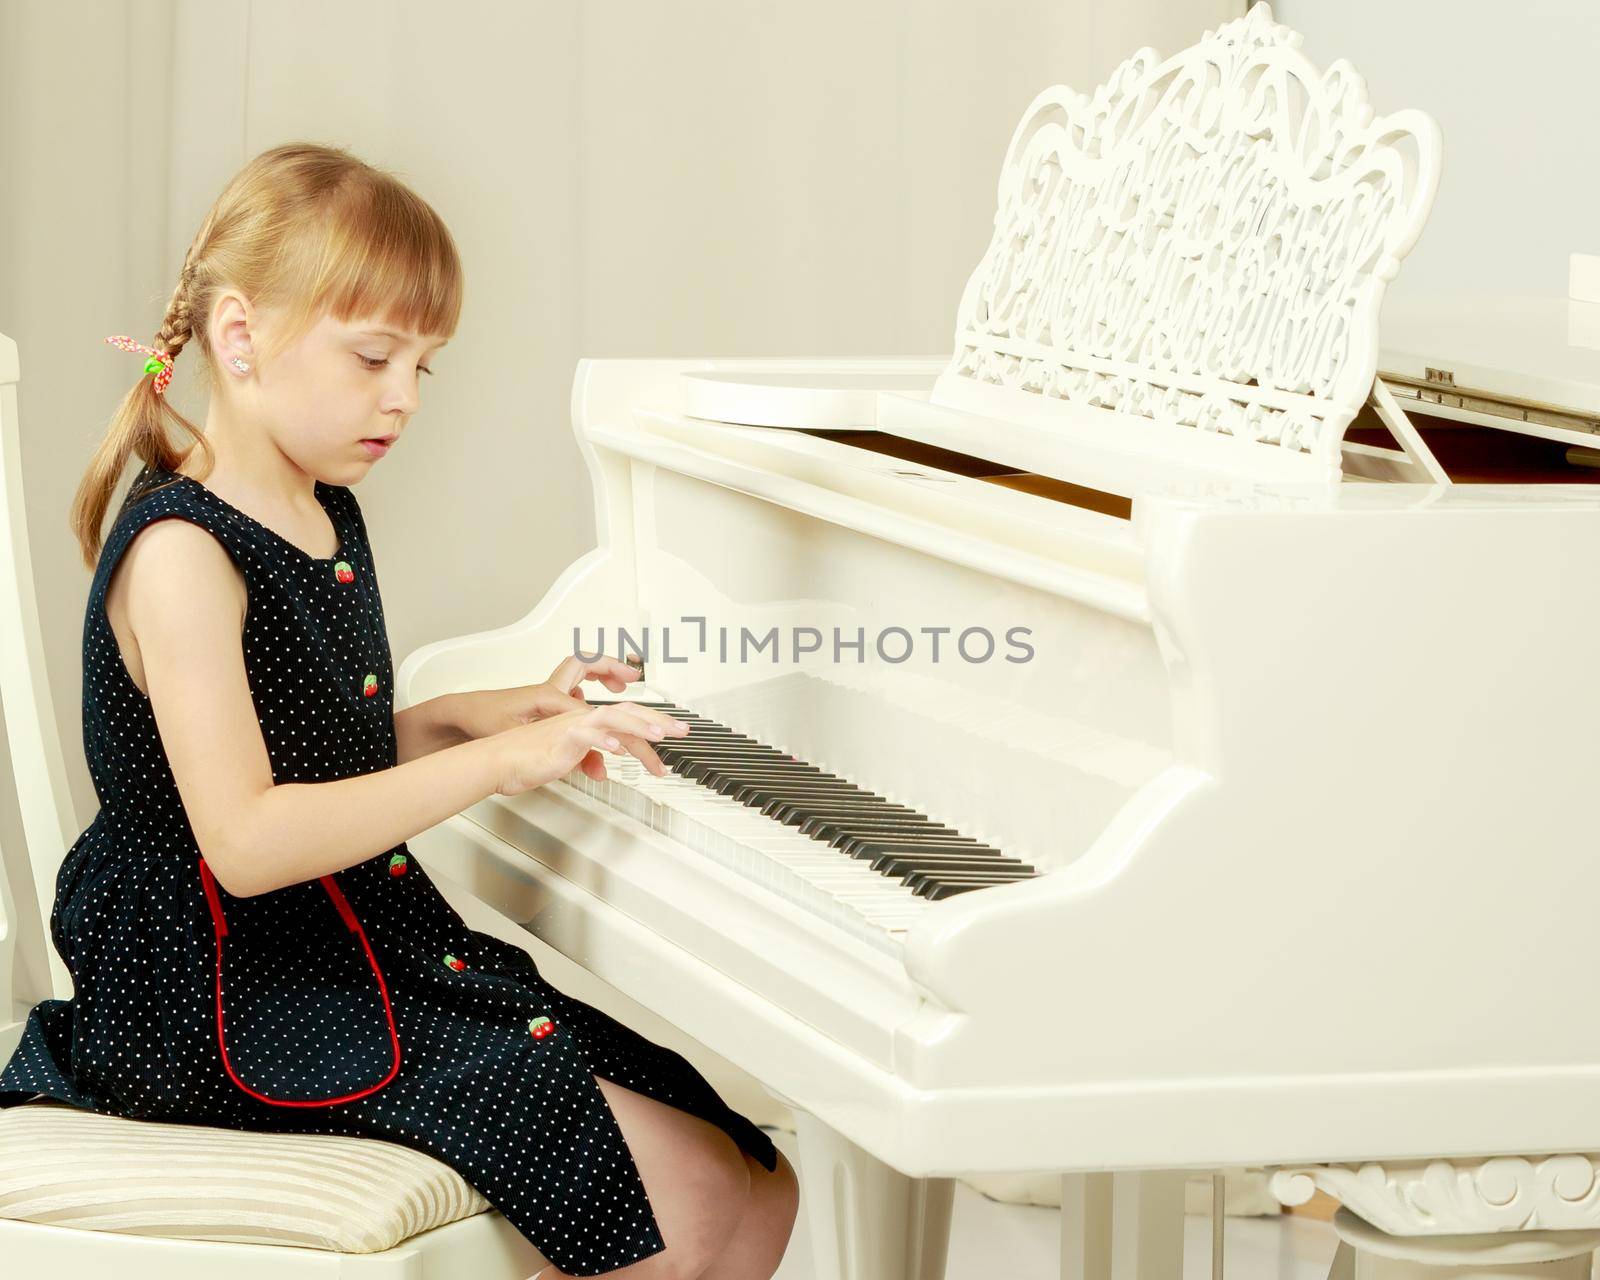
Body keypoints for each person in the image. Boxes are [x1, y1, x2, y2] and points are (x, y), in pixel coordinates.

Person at [0, 141, 798, 1280]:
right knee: (691, 1200)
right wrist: (500, 764)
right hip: (215, 993)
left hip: (345, 944)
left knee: (753, 1178)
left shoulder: (322, 507)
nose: (403, 398)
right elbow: (248, 839)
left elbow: (330, 754)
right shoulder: (183, 550)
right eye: (376, 356)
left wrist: (486, 715)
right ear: (239, 337)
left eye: (427, 367)